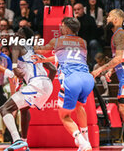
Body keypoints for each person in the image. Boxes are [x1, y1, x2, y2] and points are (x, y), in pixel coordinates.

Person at [34, 18, 93, 151]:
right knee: (79, 107)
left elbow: (40, 50)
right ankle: (86, 138)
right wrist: (44, 60)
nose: (60, 27)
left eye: (62, 25)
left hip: (71, 79)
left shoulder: (57, 41)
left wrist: (27, 43)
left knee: (64, 116)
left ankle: (82, 142)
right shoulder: (83, 42)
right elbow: (65, 57)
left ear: (66, 28)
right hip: (87, 79)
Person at [92, 9, 124, 151]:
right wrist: (110, 70)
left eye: (109, 16)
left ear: (115, 20)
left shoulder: (119, 35)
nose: (106, 19)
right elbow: (123, 59)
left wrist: (99, 69)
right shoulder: (118, 34)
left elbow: (119, 58)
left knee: (123, 107)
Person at [0, 26, 56, 151]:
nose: (15, 34)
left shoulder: (17, 45)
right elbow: (53, 69)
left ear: (23, 37)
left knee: (4, 109)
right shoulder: (34, 51)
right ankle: (24, 144)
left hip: (37, 84)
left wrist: (14, 68)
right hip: (45, 84)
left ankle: (17, 140)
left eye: (18, 32)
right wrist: (47, 85)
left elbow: (15, 66)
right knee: (24, 109)